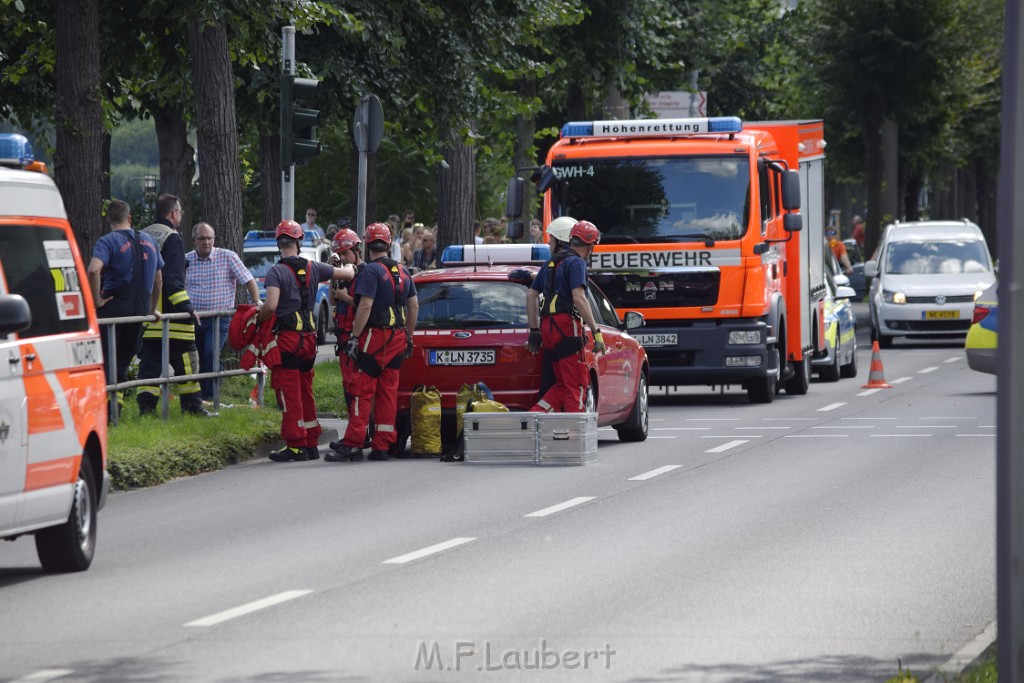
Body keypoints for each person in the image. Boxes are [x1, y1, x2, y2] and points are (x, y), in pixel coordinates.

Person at [258, 219, 355, 462]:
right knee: (306, 390)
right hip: (309, 341)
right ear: (299, 242)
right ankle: (311, 441)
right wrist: (339, 264)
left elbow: (270, 306)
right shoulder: (314, 267)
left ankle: (296, 445)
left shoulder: (276, 272)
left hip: (288, 340)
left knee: (290, 393)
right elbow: (349, 272)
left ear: (279, 243)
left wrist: (257, 318)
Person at [328, 223, 418, 462]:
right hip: (398, 337)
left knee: (361, 390)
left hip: (376, 338)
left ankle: (354, 443)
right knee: (388, 392)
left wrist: (355, 338)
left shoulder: (371, 271)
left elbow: (365, 305)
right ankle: (382, 446)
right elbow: (414, 306)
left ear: (367, 246)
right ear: (388, 244)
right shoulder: (403, 270)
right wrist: (409, 335)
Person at [88, 200, 163, 416]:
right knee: (122, 362)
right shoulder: (148, 240)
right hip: (140, 309)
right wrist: (151, 308)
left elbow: (93, 271)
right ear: (130, 219)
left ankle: (107, 413)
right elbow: (158, 278)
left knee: (105, 360)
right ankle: (115, 410)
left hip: (114, 306)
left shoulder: (108, 240)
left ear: (108, 220)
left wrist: (97, 302)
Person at [136, 194, 206, 417]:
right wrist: (187, 309)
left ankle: (146, 411)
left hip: (147, 317)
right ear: (173, 214)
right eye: (180, 213)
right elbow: (173, 281)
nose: (181, 216)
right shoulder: (172, 238)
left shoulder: (141, 235)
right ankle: (193, 408)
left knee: (150, 366)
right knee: (188, 362)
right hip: (171, 318)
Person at [527, 220, 605, 413]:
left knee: (562, 384)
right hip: (566, 327)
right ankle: (574, 435)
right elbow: (579, 298)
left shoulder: (551, 262)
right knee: (576, 385)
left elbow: (531, 296)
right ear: (591, 244)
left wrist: (534, 331)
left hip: (547, 327)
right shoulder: (577, 263)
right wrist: (596, 331)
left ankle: (534, 417)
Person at [185, 222, 261, 400]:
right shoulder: (186, 260)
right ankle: (203, 396)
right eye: (202, 238)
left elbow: (248, 280)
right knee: (200, 356)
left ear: (214, 239)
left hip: (219, 317)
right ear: (194, 240)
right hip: (194, 318)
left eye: (209, 238)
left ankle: (211, 397)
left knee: (211, 352)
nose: (206, 242)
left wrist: (256, 301)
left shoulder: (227, 257)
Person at [325, 227, 372, 448]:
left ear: (357, 251)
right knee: (348, 390)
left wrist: (348, 298)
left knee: (357, 390)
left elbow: (367, 305)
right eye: (340, 254)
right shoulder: (344, 272)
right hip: (343, 340)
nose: (343, 258)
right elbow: (334, 301)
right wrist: (332, 273)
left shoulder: (365, 273)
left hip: (358, 338)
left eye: (346, 253)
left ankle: (359, 436)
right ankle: (356, 433)